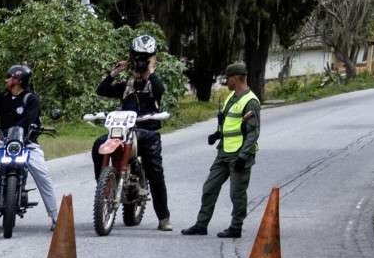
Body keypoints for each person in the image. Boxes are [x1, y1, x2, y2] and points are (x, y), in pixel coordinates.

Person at [95, 33, 173, 230]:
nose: (139, 63)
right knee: (98, 144)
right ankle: (105, 188)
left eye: (143, 59)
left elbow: (160, 90)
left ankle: (164, 217)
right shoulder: (125, 85)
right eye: (136, 58)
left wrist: (150, 72)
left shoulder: (154, 83)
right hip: (123, 130)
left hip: (147, 131)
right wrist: (115, 72)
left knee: (155, 171)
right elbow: (102, 90)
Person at [0, 62, 60, 226]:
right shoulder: (3, 98)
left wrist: (22, 133)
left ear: (18, 80)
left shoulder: (31, 100)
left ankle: (55, 216)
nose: (6, 79)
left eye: (9, 77)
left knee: (43, 175)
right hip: (4, 142)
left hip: (27, 144)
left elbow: (29, 119)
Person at [182, 65, 260, 239]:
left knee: (236, 194)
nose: (226, 80)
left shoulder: (250, 101)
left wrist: (244, 156)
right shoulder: (232, 97)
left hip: (239, 154)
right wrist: (217, 134)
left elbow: (253, 133)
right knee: (209, 188)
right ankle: (201, 225)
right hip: (224, 151)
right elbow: (228, 121)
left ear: (237, 78)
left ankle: (236, 227)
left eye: (229, 77)